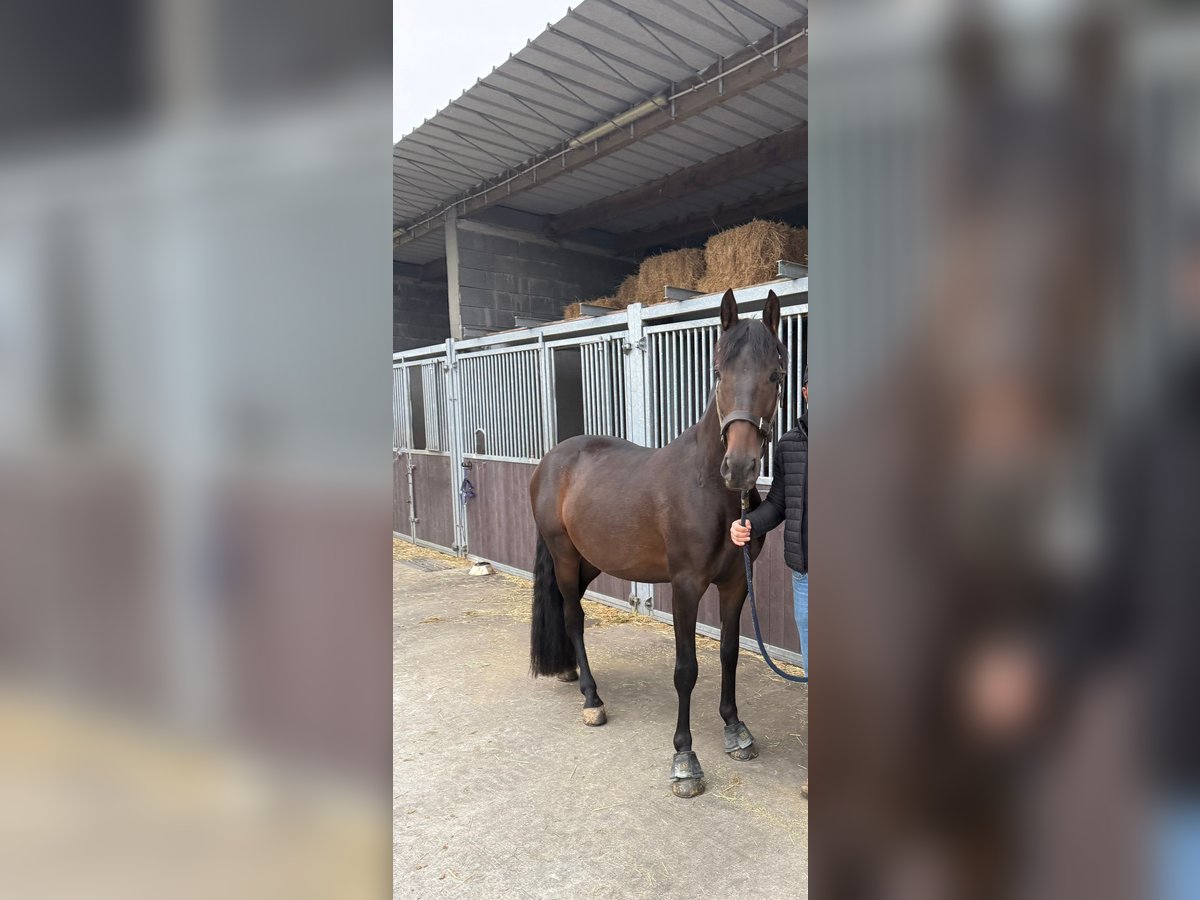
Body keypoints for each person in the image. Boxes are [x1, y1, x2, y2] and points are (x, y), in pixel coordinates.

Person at [729, 365, 809, 674]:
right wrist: (749, 524)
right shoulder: (790, 445)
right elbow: (778, 503)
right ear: (806, 392)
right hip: (806, 576)